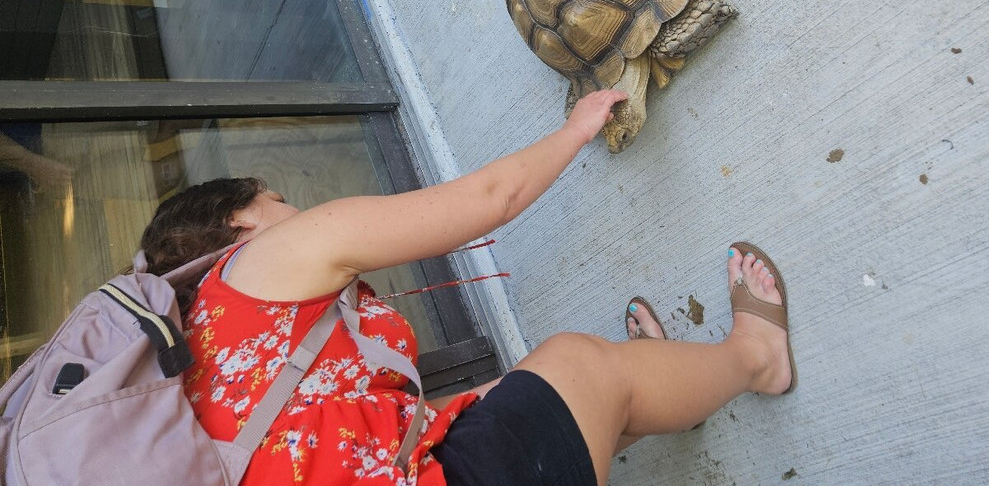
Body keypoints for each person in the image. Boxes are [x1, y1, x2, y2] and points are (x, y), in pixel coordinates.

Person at [139, 89, 796, 486]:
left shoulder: (200, 367)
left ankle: (659, 386)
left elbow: (390, 431)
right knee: (580, 363)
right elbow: (491, 198)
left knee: (525, 395)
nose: (294, 209)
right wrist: (576, 129)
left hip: (405, 466)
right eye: (279, 199)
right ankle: (756, 359)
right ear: (240, 220)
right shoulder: (263, 264)